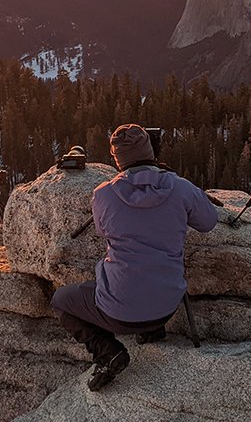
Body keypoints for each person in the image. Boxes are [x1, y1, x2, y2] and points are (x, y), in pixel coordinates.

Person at [51, 123, 220, 390]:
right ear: (151, 150)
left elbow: (101, 229)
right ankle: (151, 331)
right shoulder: (179, 188)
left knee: (61, 300)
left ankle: (108, 352)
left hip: (118, 313)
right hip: (167, 307)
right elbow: (209, 221)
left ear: (117, 159)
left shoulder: (103, 194)